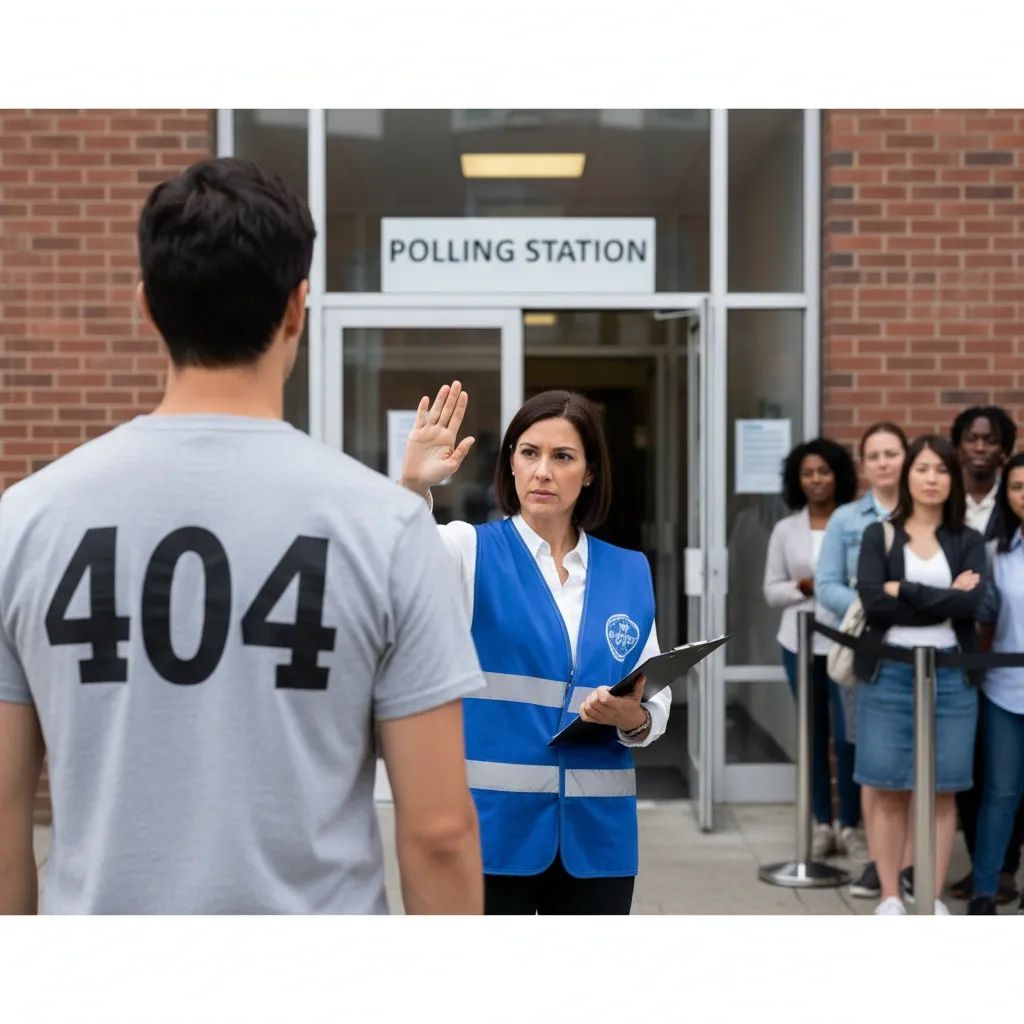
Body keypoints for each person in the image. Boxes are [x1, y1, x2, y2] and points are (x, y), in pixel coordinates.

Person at [0, 158, 485, 915]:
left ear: (148, 309)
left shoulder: (24, 524)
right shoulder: (387, 529)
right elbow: (440, 835)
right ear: (297, 308)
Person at [399, 382, 671, 914]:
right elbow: (396, 566)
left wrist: (633, 716)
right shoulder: (468, 550)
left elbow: (651, 702)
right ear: (512, 465)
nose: (543, 470)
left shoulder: (628, 570)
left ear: (589, 472)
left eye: (563, 456)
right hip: (497, 833)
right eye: (529, 453)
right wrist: (412, 487)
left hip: (600, 841)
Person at [855, 435, 985, 915]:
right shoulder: (880, 535)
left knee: (943, 789)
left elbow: (972, 604)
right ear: (908, 475)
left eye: (942, 470)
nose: (932, 478)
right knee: (888, 786)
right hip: (889, 674)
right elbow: (874, 603)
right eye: (923, 468)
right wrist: (942, 597)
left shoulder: (968, 540)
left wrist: (903, 589)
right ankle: (891, 895)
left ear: (953, 479)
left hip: (951, 676)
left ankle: (928, 894)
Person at [815, 421, 908, 896]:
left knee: (916, 761)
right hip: (866, 654)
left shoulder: (926, 515)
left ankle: (911, 862)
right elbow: (827, 583)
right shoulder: (847, 520)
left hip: (921, 653)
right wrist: (871, 609)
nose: (884, 462)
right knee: (871, 760)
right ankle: (880, 861)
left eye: (892, 453)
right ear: (864, 464)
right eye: (875, 455)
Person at [763, 439, 858, 859]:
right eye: (807, 473)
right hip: (798, 645)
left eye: (823, 471)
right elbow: (771, 591)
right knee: (814, 736)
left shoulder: (856, 523)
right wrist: (804, 587)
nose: (816, 480)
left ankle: (851, 825)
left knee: (849, 736)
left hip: (847, 645)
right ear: (796, 480)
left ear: (838, 474)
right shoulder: (786, 529)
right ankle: (822, 822)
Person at [949, 405, 1023, 903]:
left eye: (990, 439)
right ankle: (985, 879)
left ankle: (1003, 872)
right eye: (972, 439)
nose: (981, 447)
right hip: (989, 677)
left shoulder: (1003, 516)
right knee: (992, 784)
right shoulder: (977, 532)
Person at [968, 452, 1024, 915]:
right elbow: (984, 620)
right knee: (1001, 793)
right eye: (1019, 486)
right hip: (1005, 689)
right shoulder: (995, 552)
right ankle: (984, 890)